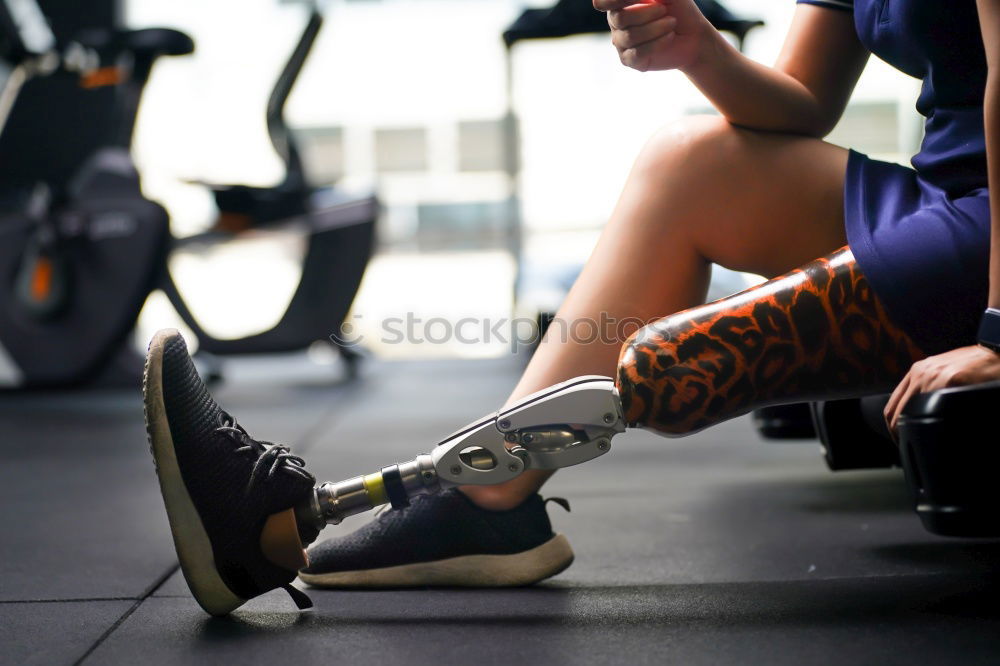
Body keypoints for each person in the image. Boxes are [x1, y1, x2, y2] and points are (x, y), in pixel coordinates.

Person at [143, 0, 1000, 616]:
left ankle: (318, 512)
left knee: (673, 367)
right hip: (948, 194)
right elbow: (803, 101)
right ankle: (484, 501)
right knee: (686, 159)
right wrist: (698, 47)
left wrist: (998, 336)